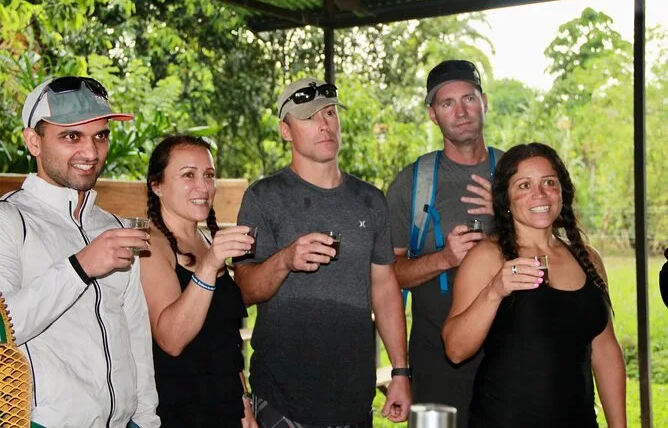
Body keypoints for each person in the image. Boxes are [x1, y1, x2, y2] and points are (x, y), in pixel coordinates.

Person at [234, 78, 411, 427]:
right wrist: (285, 260)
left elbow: (385, 288)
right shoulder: (263, 198)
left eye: (330, 113)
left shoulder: (370, 200)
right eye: (309, 117)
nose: (324, 124)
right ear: (286, 131)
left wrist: (401, 372)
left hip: (354, 399)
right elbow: (243, 290)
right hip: (281, 399)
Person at [0, 76, 159, 427]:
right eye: (71, 136)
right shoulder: (8, 220)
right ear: (33, 142)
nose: (91, 152)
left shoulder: (114, 226)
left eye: (100, 136)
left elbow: (135, 334)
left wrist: (146, 419)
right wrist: (79, 267)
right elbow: (2, 328)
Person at [442, 142, 626, 427]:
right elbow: (455, 350)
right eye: (524, 185)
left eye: (549, 182)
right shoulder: (488, 257)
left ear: (562, 191)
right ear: (506, 199)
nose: (539, 193)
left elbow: (605, 351)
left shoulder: (588, 258)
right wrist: (495, 290)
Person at [386, 59, 502, 423]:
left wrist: (506, 217)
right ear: (433, 114)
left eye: (469, 99)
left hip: (509, 356)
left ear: (484, 102)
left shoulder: (514, 175)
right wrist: (444, 259)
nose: (461, 111)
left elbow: (552, 254)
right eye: (447, 103)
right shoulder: (412, 182)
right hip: (436, 362)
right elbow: (388, 277)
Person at [139, 134, 258, 428]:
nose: (203, 187)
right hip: (179, 410)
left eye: (209, 175)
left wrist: (243, 401)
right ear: (157, 186)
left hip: (224, 406)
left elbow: (225, 337)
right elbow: (171, 340)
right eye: (188, 175)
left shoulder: (205, 241)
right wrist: (209, 266)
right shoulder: (151, 246)